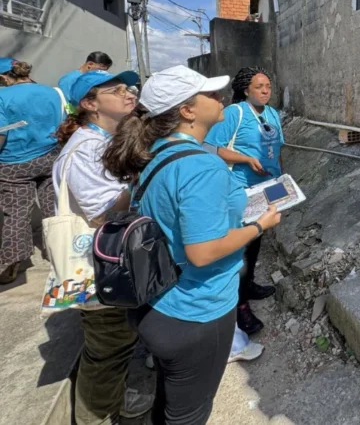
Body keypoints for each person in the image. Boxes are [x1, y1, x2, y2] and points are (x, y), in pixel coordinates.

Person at [103, 65, 281, 425]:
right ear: (187, 111)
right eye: (211, 95)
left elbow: (119, 208)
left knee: (170, 403)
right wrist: (258, 225)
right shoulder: (201, 166)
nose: (220, 100)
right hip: (195, 311)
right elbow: (203, 251)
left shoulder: (156, 151)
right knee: (188, 415)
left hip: (157, 303)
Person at [52, 69, 154, 423]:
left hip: (114, 260)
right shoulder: (84, 149)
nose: (128, 94)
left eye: (128, 87)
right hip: (101, 268)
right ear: (90, 104)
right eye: (116, 90)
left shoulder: (104, 140)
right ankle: (93, 415)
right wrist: (148, 177)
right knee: (108, 348)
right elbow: (101, 213)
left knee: (120, 341)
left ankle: (117, 399)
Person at [206, 67, 285, 335]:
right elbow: (210, 147)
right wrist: (246, 159)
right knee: (238, 246)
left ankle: (248, 284)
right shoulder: (234, 113)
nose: (265, 91)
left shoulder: (273, 114)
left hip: (268, 188)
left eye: (268, 86)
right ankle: (239, 306)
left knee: (257, 238)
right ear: (245, 90)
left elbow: (277, 150)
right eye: (259, 86)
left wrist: (281, 179)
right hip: (240, 189)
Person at [0, 58, 64, 285]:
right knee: (52, 206)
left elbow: (2, 133)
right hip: (49, 156)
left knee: (16, 213)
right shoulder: (51, 93)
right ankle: (56, 252)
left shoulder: (2, 96)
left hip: (14, 162)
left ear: (4, 77)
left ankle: (12, 263)